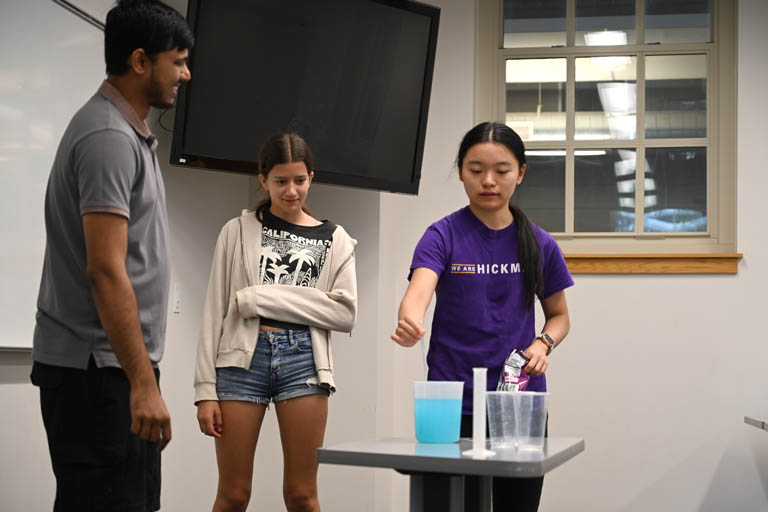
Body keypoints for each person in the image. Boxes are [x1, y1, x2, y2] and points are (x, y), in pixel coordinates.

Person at [29, 1, 193, 510]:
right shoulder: (107, 138)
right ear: (140, 61)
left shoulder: (128, 133)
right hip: (98, 375)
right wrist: (141, 385)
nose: (186, 74)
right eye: (178, 60)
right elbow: (105, 268)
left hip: (111, 369)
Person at [391, 121, 574, 511]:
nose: (488, 181)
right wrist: (410, 319)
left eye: (502, 170)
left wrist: (544, 343)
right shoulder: (441, 235)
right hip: (449, 404)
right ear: (460, 171)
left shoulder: (539, 242)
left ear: (520, 173)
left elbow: (559, 316)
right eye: (475, 170)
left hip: (518, 406)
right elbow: (418, 293)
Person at [194, 133, 357, 512]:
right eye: (281, 181)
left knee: (301, 495)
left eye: (299, 180)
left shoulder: (336, 240)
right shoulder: (235, 232)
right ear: (263, 179)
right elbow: (214, 310)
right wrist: (204, 390)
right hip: (239, 362)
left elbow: (343, 313)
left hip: (304, 360)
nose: (291, 191)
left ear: (311, 177)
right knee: (233, 494)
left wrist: (258, 298)